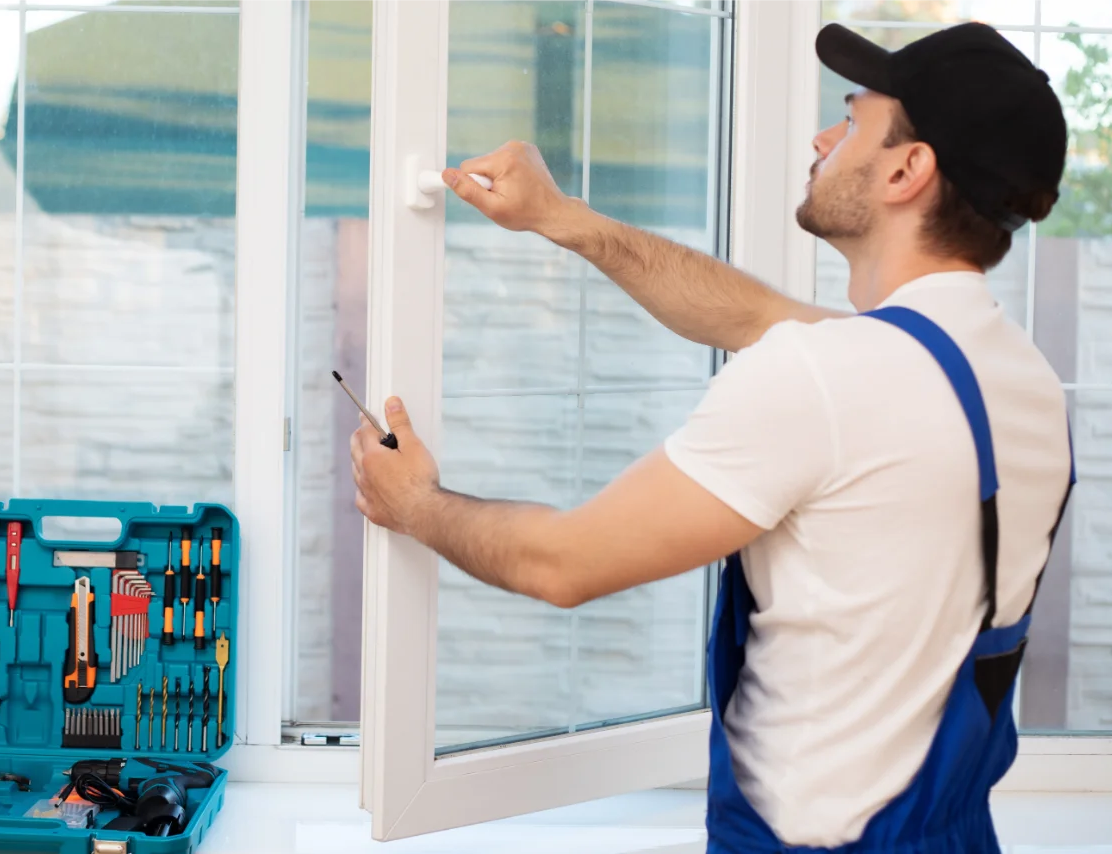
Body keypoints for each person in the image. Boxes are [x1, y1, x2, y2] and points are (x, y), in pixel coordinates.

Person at [348, 21, 1074, 853]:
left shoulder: (832, 377)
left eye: (853, 122)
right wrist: (564, 220)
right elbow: (755, 316)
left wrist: (418, 504)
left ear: (908, 170)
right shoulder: (1014, 379)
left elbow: (563, 564)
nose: (821, 138)